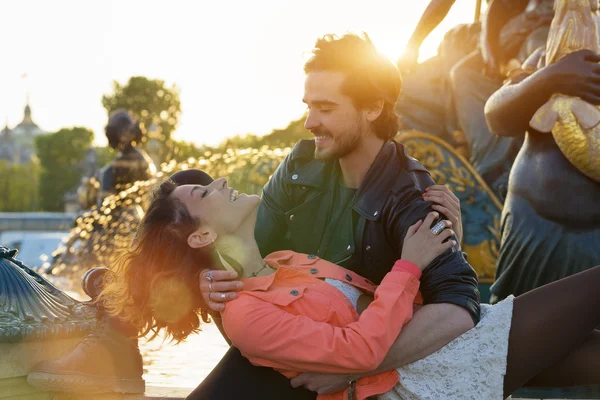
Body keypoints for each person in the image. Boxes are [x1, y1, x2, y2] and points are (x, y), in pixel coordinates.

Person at [98, 173, 600, 400]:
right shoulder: (246, 315)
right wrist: (410, 264)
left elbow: (383, 303)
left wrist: (446, 245)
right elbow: (358, 349)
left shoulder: (285, 262)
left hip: (446, 344)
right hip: (421, 382)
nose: (222, 182)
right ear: (204, 234)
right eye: (207, 192)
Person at [190, 33, 480, 399]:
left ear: (373, 107)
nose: (310, 122)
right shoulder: (299, 165)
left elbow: (459, 308)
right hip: (291, 345)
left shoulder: (411, 191)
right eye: (308, 106)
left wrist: (353, 370)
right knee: (183, 187)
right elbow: (251, 257)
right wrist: (213, 282)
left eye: (325, 108)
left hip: (362, 363)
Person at [485, 39, 600, 304]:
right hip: (534, 231)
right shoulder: (551, 52)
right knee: (514, 332)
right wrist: (552, 76)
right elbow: (497, 116)